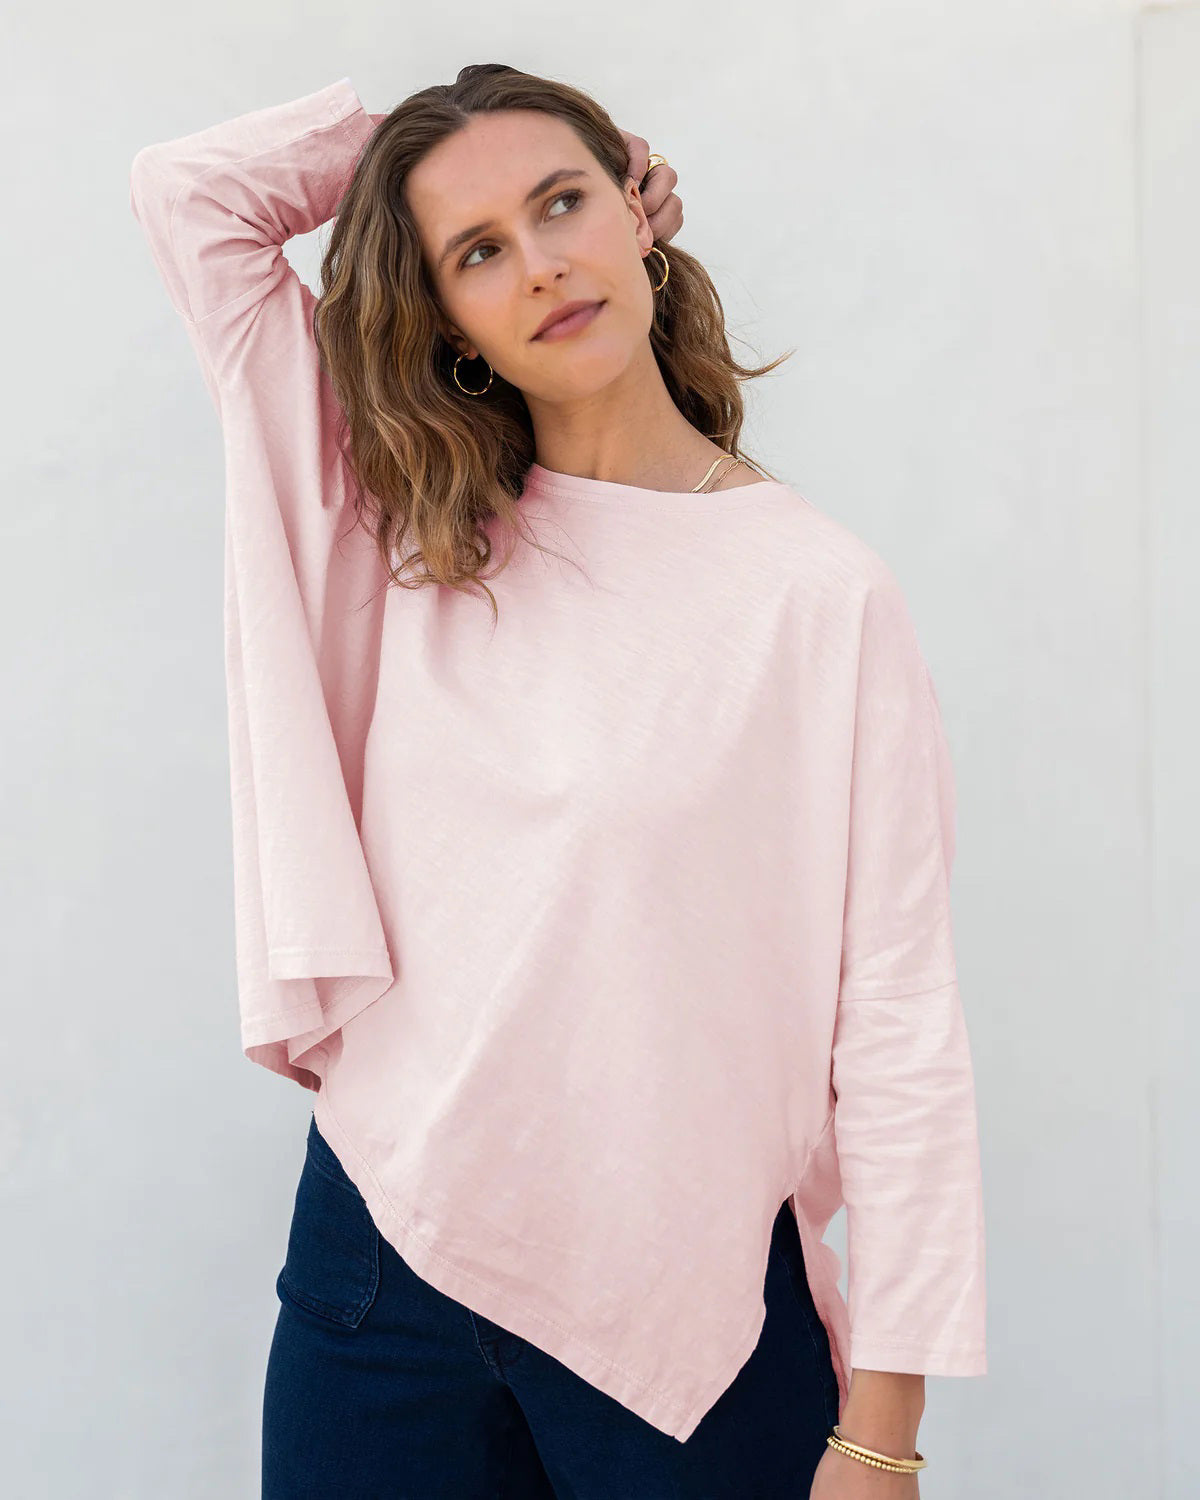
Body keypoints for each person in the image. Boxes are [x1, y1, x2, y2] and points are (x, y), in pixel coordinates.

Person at [129, 63, 986, 1498]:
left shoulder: (816, 595)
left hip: (681, 1310)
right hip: (381, 1276)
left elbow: (897, 1021)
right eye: (479, 252)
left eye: (564, 204)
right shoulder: (401, 524)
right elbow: (190, 199)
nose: (541, 265)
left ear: (639, 220)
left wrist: (881, 1433)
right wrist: (414, 156)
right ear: (444, 315)